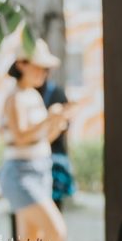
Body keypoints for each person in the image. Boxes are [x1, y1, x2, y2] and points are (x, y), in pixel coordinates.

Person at [0, 39, 69, 241]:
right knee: (55, 231)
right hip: (21, 172)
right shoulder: (15, 97)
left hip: (40, 169)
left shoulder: (33, 95)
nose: (43, 72)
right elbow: (21, 136)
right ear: (22, 64)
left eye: (45, 68)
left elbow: (40, 140)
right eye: (39, 66)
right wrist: (49, 120)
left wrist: (57, 123)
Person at [40, 75, 76, 209]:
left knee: (54, 205)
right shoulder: (25, 95)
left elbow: (63, 126)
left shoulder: (56, 92)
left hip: (53, 158)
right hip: (36, 159)